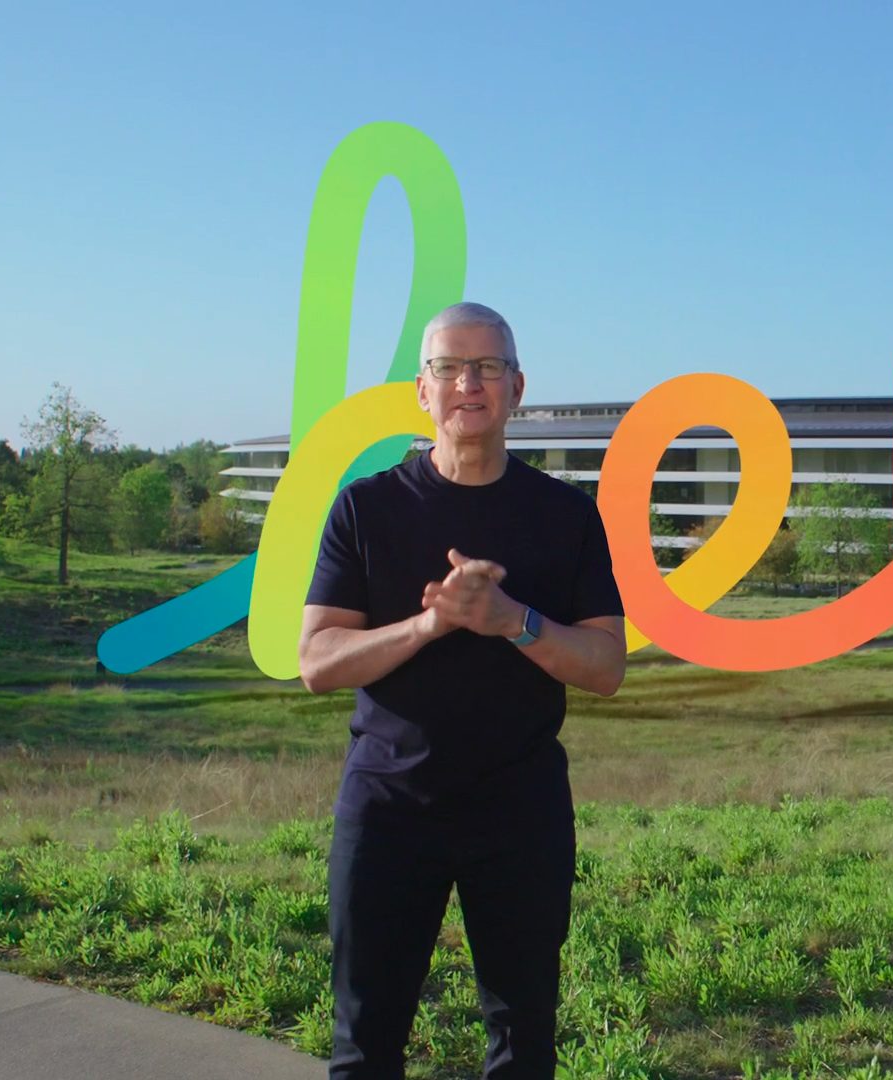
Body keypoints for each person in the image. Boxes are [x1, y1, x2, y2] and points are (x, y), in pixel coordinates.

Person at [298, 301, 627, 1079]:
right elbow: (318, 661)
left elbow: (606, 666)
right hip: (388, 806)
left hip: (520, 810)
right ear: (423, 389)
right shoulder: (367, 507)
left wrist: (513, 621)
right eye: (449, 367)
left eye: (487, 368)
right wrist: (429, 625)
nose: (468, 384)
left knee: (523, 1042)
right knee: (364, 1039)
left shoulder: (566, 516)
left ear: (518, 388)